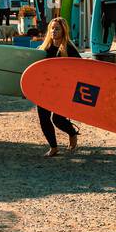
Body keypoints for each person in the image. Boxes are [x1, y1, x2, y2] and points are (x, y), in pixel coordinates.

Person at [37, 17, 80, 156]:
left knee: (58, 119)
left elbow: (82, 68)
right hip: (45, 89)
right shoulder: (43, 49)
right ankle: (53, 147)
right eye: (52, 28)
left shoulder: (69, 48)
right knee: (43, 118)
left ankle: (72, 133)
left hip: (62, 90)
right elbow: (33, 71)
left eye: (57, 29)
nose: (54, 31)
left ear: (63, 31)